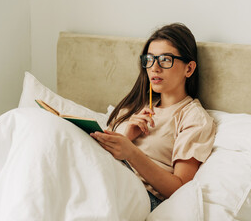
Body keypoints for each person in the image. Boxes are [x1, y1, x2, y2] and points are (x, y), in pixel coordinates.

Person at [90, 23, 216, 211]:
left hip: (143, 195)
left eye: (165, 59)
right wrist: (127, 137)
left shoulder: (193, 118)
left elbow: (180, 187)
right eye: (149, 59)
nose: (154, 68)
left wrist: (131, 152)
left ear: (189, 69)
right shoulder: (138, 107)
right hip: (112, 176)